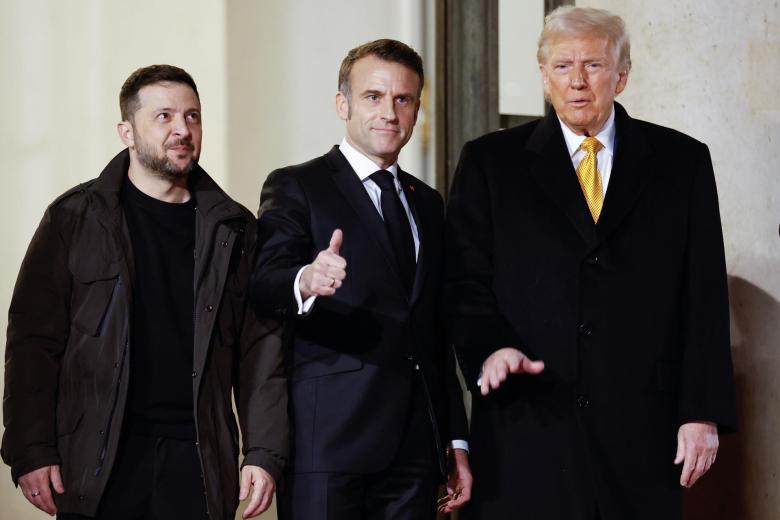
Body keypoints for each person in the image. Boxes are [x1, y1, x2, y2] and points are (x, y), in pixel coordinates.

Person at [445, 7, 737, 519]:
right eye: (562, 66)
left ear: (622, 76)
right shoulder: (491, 163)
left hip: (642, 433)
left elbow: (705, 295)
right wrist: (489, 348)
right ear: (543, 76)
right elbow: (464, 282)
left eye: (594, 66)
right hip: (527, 427)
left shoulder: (681, 161)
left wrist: (702, 412)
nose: (577, 81)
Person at [2, 65, 288, 520]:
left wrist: (263, 452)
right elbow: (33, 342)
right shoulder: (73, 219)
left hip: (197, 460)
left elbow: (261, 353)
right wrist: (31, 448)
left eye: (193, 117)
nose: (182, 129)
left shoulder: (235, 230)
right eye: (164, 116)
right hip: (99, 459)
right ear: (126, 132)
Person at [251, 39, 472, 519]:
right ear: (342, 104)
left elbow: (436, 334)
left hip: (415, 452)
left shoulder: (428, 203)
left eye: (403, 99)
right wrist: (306, 278)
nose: (389, 112)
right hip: (328, 446)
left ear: (417, 111)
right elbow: (264, 279)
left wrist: (454, 440)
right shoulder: (298, 185)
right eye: (373, 96)